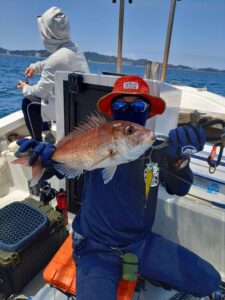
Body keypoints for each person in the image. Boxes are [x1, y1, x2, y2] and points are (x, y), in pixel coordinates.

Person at [17, 75, 221, 299]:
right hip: (95, 248)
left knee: (208, 280)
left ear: (149, 112)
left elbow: (179, 188)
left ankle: (150, 272)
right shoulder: (100, 140)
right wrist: (46, 159)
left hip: (140, 242)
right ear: (112, 111)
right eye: (120, 105)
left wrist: (180, 160)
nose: (129, 110)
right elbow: (62, 167)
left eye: (139, 105)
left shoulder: (158, 148)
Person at [17, 6, 89, 141]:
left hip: (69, 111)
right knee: (48, 94)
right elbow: (54, 62)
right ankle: (47, 135)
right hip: (79, 107)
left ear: (48, 34)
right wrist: (36, 66)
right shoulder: (74, 48)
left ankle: (36, 144)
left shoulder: (56, 60)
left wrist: (24, 87)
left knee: (29, 103)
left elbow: (38, 92)